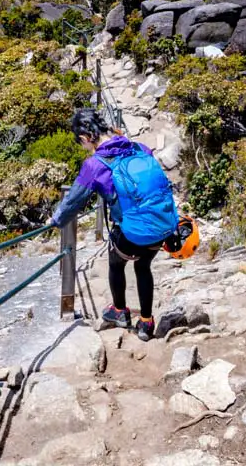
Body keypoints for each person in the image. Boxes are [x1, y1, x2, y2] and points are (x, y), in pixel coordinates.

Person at [48, 109, 179, 342]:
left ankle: (119, 311)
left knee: (116, 262)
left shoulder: (94, 165)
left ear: (86, 138)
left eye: (82, 144)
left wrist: (55, 221)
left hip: (132, 234)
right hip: (161, 225)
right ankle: (146, 323)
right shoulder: (139, 148)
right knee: (143, 266)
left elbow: (73, 201)